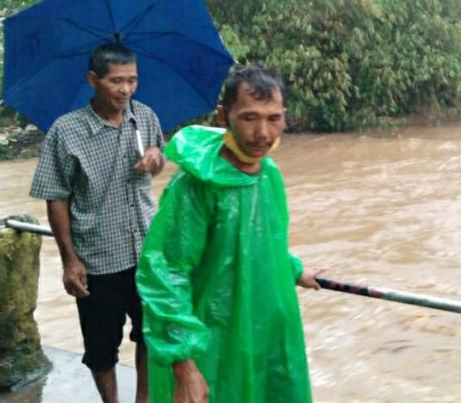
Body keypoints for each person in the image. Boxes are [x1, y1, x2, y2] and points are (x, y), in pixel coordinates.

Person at [135, 66, 322, 403]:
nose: (263, 132)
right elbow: (165, 272)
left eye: (273, 118)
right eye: (249, 117)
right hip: (215, 336)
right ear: (224, 116)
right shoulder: (196, 186)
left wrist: (295, 270)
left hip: (270, 328)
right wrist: (184, 365)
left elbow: (267, 241)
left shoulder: (269, 173)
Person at [30, 43, 165, 403]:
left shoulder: (146, 117)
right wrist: (69, 259)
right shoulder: (67, 131)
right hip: (98, 256)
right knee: (101, 345)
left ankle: (143, 398)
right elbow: (55, 196)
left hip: (147, 250)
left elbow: (159, 158)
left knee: (151, 332)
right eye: (116, 81)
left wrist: (156, 157)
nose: (126, 90)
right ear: (93, 79)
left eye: (132, 80)